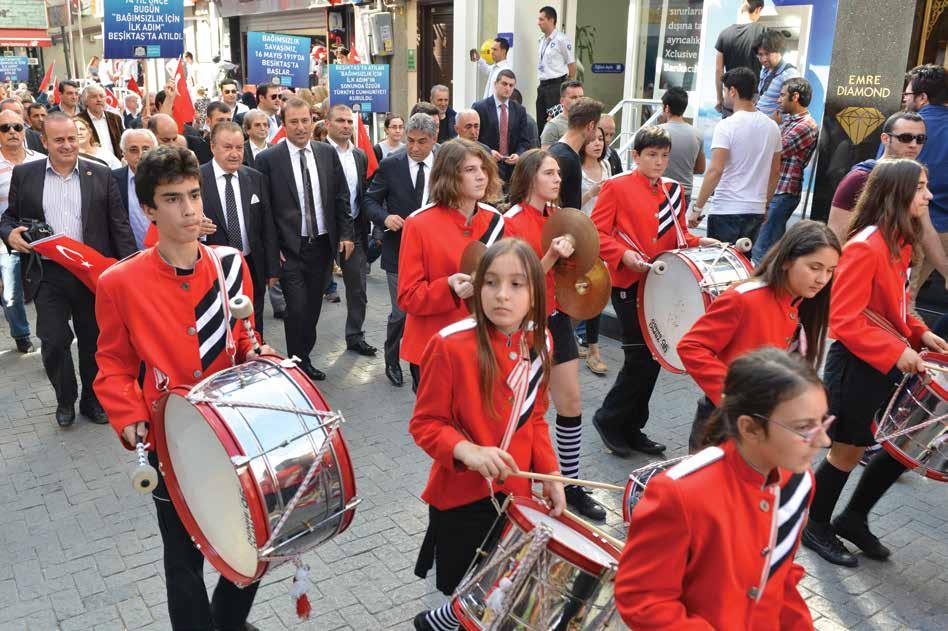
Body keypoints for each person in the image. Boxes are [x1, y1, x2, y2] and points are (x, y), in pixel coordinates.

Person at [94, 145, 272, 631]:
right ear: (149, 209)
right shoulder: (120, 282)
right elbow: (112, 363)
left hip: (237, 430)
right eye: (172, 199)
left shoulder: (230, 264)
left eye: (194, 194)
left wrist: (262, 359)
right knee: (183, 557)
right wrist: (127, 417)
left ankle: (227, 621)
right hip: (170, 438)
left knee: (260, 537)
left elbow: (245, 337)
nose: (190, 209)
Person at [410, 238, 564, 631]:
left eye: (517, 284)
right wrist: (468, 451)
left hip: (517, 494)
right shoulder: (450, 344)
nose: (502, 295)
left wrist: (550, 474)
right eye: (491, 282)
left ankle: (439, 623)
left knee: (501, 595)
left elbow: (537, 416)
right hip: (462, 498)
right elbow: (425, 424)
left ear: (536, 293)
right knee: (469, 599)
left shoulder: (541, 340)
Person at [801, 159, 948, 567]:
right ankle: (814, 525)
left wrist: (919, 333)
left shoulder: (897, 241)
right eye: (921, 188)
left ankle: (850, 519)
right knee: (845, 452)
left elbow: (895, 308)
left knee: (881, 444)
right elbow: (844, 320)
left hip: (881, 361)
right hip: (856, 364)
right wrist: (897, 351)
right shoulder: (866, 245)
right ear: (899, 193)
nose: (929, 195)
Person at [615, 348, 826, 631]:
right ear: (750, 428)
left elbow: (779, 575)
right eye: (805, 428)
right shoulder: (680, 492)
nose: (823, 440)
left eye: (824, 422)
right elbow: (643, 599)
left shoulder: (800, 483)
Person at [0, 112, 136, 427]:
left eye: (72, 138)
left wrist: (130, 271)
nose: (67, 146)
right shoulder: (26, 175)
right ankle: (65, 400)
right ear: (44, 141)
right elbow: (8, 217)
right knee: (53, 340)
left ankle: (92, 399)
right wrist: (9, 233)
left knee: (94, 340)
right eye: (58, 140)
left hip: (91, 273)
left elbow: (119, 227)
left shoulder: (100, 175)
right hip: (47, 273)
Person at [591, 126, 717, 458]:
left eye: (664, 156)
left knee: (653, 359)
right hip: (627, 285)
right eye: (652, 155)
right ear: (636, 156)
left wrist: (701, 242)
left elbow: (678, 235)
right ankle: (609, 419)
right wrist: (622, 255)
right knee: (640, 358)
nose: (660, 162)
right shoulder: (616, 187)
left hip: (660, 285)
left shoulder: (673, 190)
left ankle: (631, 427)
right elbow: (597, 233)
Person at [679, 220, 839, 451]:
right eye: (814, 268)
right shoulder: (745, 297)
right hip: (723, 422)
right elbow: (691, 346)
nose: (822, 279)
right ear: (786, 261)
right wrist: (733, 395)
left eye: (830, 271)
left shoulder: (803, 303)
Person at [502, 149, 602, 520]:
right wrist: (551, 256)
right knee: (528, 410)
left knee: (571, 403)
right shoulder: (510, 221)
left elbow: (571, 274)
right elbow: (517, 282)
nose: (558, 179)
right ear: (529, 177)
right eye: (549, 173)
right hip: (524, 324)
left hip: (557, 319)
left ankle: (570, 486)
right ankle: (523, 486)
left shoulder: (561, 218)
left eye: (559, 173)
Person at [254, 97, 354, 382]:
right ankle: (298, 362)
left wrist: (346, 234)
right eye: (293, 122)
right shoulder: (268, 160)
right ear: (283, 125)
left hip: (321, 246)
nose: (300, 127)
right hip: (290, 250)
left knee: (311, 308)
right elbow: (265, 212)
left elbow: (340, 197)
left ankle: (302, 354)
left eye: (305, 121)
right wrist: (274, 258)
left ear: (313, 121)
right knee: (296, 309)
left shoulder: (326, 154)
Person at [397, 139, 505, 392]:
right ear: (449, 176)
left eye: (483, 169)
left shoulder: (495, 220)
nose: (481, 177)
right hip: (435, 348)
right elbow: (407, 296)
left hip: (482, 344)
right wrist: (448, 287)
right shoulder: (419, 224)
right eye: (470, 170)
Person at [364, 113, 438, 388]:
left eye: (421, 142)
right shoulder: (390, 164)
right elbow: (369, 200)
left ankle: (421, 363)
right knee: (402, 311)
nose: (415, 147)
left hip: (434, 252)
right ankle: (392, 358)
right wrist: (385, 218)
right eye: (410, 141)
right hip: (399, 250)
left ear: (433, 139)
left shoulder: (445, 162)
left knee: (427, 312)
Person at [201, 121, 279, 335]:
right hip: (212, 268)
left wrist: (272, 269)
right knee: (220, 323)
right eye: (228, 147)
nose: (235, 153)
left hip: (252, 264)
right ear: (212, 146)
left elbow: (267, 226)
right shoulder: (197, 179)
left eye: (239, 147)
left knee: (254, 321)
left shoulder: (255, 178)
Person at [689, 67, 782, 244]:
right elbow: (775, 171)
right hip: (755, 210)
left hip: (726, 209)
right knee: (743, 267)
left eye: (725, 90)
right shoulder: (772, 127)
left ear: (733, 91)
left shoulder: (726, 126)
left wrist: (697, 207)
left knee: (720, 267)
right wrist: (765, 205)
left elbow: (715, 170)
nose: (724, 95)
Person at [325, 104, 377, 356]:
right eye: (340, 121)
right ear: (327, 124)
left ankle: (355, 335)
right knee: (313, 292)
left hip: (355, 231)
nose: (346, 126)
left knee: (358, 289)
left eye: (349, 122)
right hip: (322, 233)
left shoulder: (359, 155)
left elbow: (362, 193)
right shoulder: (318, 153)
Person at [751, 77, 819, 265]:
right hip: (776, 190)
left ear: (795, 96)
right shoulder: (789, 121)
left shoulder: (806, 125)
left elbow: (776, 150)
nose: (778, 100)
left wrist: (771, 125)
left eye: (782, 95)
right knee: (763, 245)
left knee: (762, 250)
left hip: (784, 192)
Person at [901, 65, 948, 307]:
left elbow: (883, 172)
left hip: (910, 226)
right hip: (943, 230)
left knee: (902, 300)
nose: (904, 99)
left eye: (908, 94)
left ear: (922, 97)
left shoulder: (905, 128)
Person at [0, 109, 43, 354]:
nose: (12, 132)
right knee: (12, 293)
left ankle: (52, 334)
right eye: (5, 128)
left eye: (16, 127)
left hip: (40, 236)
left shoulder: (38, 159)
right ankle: (21, 334)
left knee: (48, 287)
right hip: (6, 238)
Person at [578, 126, 610, 376]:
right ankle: (571, 339)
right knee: (579, 291)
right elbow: (568, 205)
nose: (597, 144)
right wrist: (592, 192)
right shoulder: (574, 168)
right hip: (581, 237)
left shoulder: (607, 166)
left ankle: (593, 348)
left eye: (601, 139)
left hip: (604, 236)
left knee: (597, 293)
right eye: (592, 140)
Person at [472, 70, 534, 181]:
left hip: (512, 168)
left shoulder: (520, 110)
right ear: (495, 84)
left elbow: (525, 141)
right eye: (504, 84)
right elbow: (473, 138)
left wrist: (518, 155)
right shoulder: (480, 107)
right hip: (487, 165)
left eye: (511, 85)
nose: (508, 88)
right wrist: (488, 151)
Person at [548, 97, 603, 210]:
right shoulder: (568, 159)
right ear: (591, 126)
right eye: (597, 127)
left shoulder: (556, 150)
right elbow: (569, 210)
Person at [715, 0, 766, 117]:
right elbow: (768, 65)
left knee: (729, 131)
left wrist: (719, 98)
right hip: (753, 97)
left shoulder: (724, 34)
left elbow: (718, 70)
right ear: (758, 10)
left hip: (731, 95)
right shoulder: (762, 31)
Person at [111, 128, 158, 250]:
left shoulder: (170, 179)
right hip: (128, 256)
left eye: (146, 149)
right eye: (133, 150)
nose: (141, 154)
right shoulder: (111, 180)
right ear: (123, 153)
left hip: (164, 254)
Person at [658, 87, 704, 208]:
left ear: (666, 108)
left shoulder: (657, 131)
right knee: (677, 227)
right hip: (684, 193)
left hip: (660, 190)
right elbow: (700, 169)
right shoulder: (697, 134)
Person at [535, 5, 576, 136]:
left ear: (551, 20)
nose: (538, 23)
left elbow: (572, 65)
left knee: (555, 121)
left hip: (556, 86)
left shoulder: (561, 40)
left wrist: (566, 86)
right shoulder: (541, 40)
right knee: (541, 121)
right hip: (542, 86)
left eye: (542, 19)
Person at [754, 30, 799, 120]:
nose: (763, 59)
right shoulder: (764, 70)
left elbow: (794, 108)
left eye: (767, 54)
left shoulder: (790, 74)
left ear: (780, 51)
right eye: (760, 55)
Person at [77, 85, 124, 161]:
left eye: (102, 96)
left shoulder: (115, 118)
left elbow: (122, 142)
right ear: (86, 101)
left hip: (115, 164)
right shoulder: (78, 120)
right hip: (92, 164)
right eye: (94, 97)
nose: (99, 99)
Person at [540, 80, 584, 148]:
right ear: (562, 101)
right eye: (573, 97)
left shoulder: (589, 122)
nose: (578, 101)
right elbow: (546, 155)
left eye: (581, 97)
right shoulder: (553, 126)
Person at [186, 101, 230, 165]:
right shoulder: (194, 144)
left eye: (228, 120)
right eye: (220, 120)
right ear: (208, 121)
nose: (225, 124)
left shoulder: (237, 146)